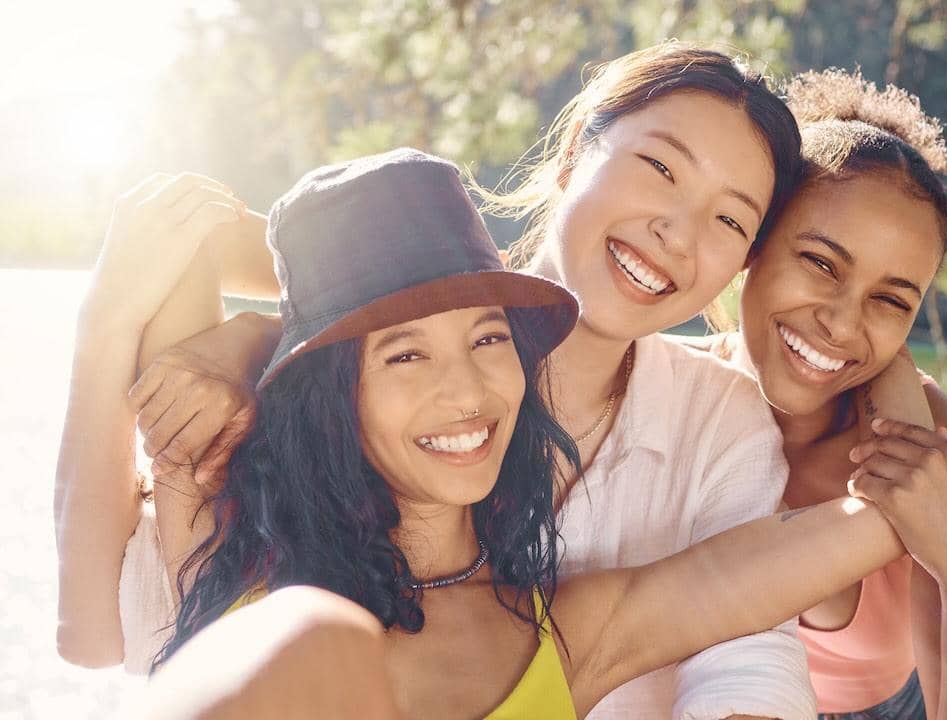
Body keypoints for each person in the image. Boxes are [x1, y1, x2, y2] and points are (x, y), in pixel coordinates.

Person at [56, 41, 828, 720]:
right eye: (659, 167)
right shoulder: (307, 423)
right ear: (570, 159)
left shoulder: (717, 418)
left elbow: (747, 645)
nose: (677, 231)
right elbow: (115, 631)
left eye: (731, 220)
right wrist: (194, 338)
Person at [695, 69, 947, 719]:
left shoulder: (935, 456)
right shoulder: (663, 393)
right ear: (754, 245)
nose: (843, 323)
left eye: (890, 299)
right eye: (822, 263)